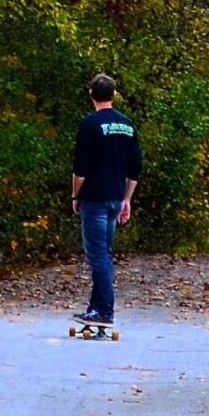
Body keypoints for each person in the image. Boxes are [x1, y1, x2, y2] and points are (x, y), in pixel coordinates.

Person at [68, 72, 142, 327]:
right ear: (113, 94)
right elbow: (135, 168)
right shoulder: (127, 124)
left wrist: (76, 195)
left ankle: (105, 311)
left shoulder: (90, 124)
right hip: (115, 198)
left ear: (92, 94)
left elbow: (80, 167)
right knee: (105, 253)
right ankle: (94, 307)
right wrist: (127, 199)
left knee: (97, 255)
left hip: (95, 198)